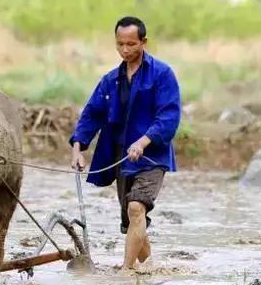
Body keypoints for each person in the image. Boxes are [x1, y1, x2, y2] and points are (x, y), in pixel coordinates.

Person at [69, 16, 181, 270]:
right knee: (131, 220)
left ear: (143, 42)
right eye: (120, 44)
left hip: (152, 155)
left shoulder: (162, 74)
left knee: (135, 208)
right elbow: (91, 114)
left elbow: (169, 116)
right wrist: (78, 148)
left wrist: (143, 142)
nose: (125, 50)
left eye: (131, 44)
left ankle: (125, 273)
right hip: (122, 155)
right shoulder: (111, 80)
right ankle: (149, 267)